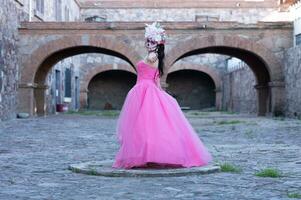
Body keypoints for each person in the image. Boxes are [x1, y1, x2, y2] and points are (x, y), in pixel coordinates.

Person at [112, 21, 213, 169]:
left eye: (152, 42)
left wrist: (162, 95)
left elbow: (153, 77)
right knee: (146, 125)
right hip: (142, 89)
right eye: (148, 41)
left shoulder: (153, 57)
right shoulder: (154, 58)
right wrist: (161, 93)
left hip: (145, 91)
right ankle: (148, 154)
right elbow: (157, 81)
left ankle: (148, 154)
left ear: (157, 44)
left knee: (145, 124)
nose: (148, 44)